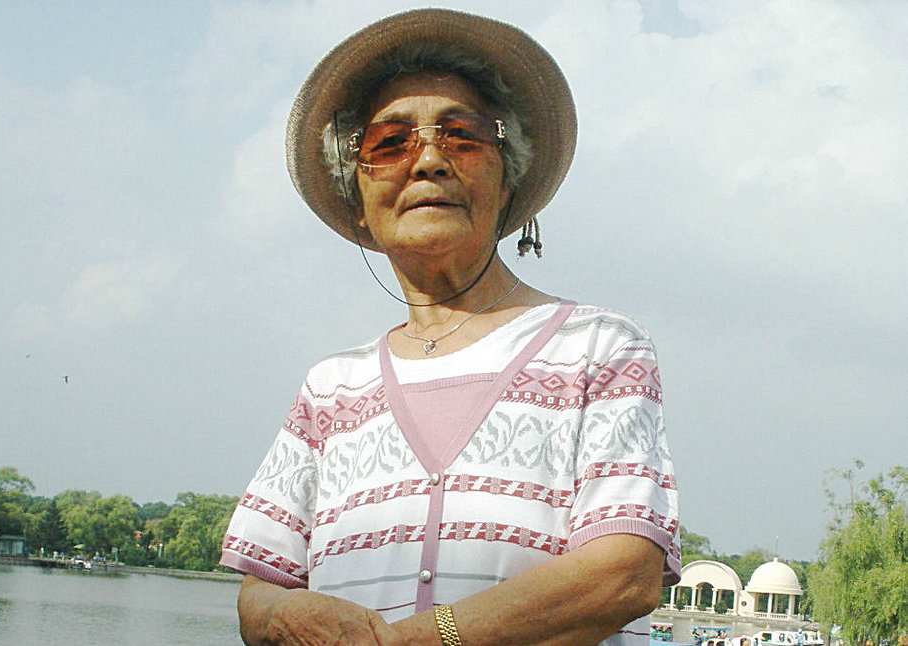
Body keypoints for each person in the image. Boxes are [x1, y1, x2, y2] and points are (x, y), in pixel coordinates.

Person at [220, 8, 680, 645]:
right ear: (359, 203)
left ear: (507, 181)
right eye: (390, 144)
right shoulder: (331, 388)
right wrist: (284, 616)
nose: (429, 160)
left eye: (463, 136)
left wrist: (421, 639)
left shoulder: (599, 348)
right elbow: (259, 589)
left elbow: (623, 574)